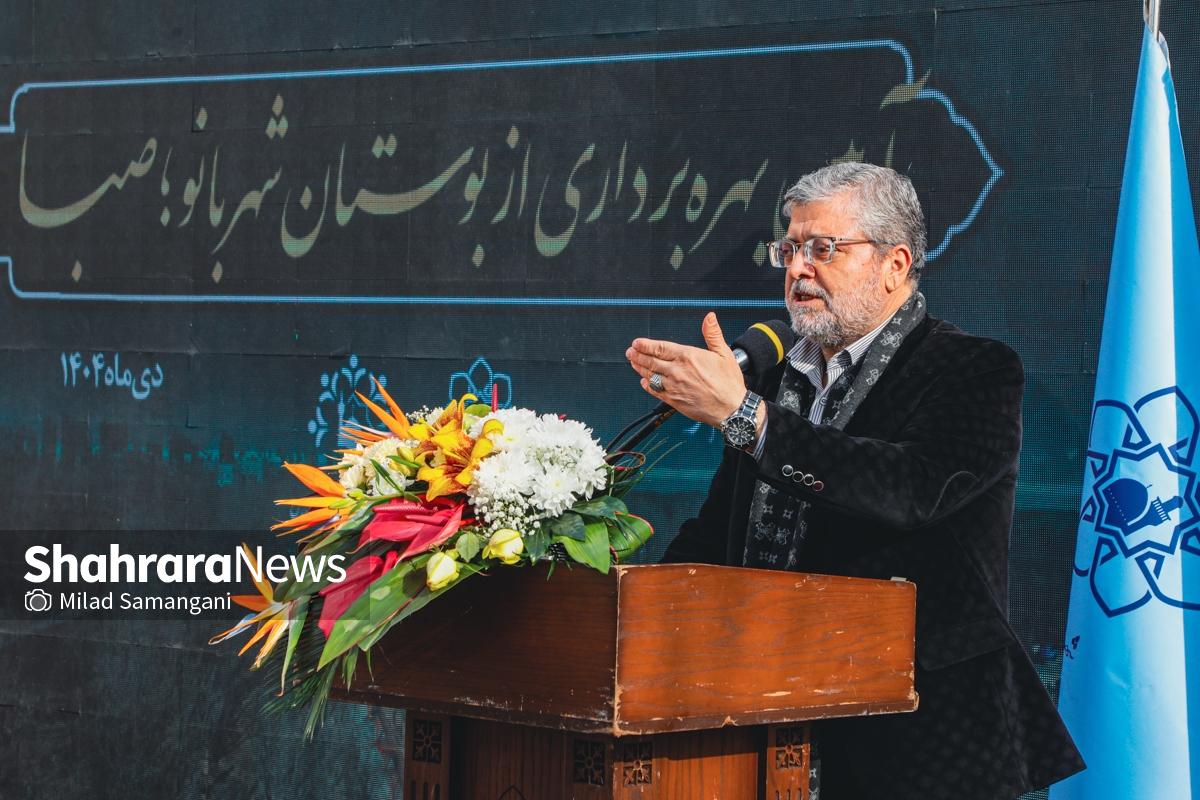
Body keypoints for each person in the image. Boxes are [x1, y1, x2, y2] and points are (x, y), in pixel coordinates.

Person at [624, 162, 1085, 799]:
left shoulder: (973, 369)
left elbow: (907, 489)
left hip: (922, 739)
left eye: (823, 249)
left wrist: (745, 415)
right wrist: (634, 609)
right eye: (789, 248)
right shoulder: (770, 378)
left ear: (895, 263)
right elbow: (720, 532)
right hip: (761, 717)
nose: (797, 269)